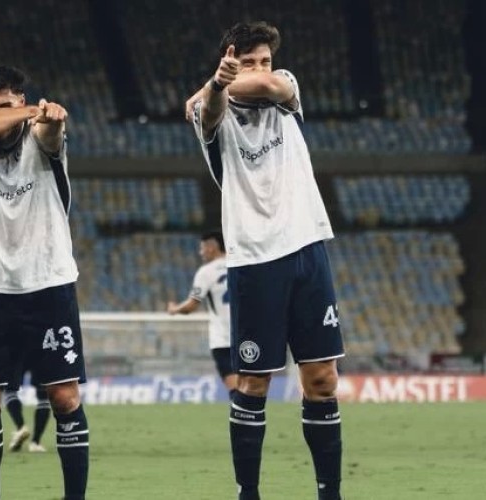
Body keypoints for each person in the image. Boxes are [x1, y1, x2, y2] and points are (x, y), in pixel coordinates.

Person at [187, 22, 345, 500]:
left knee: (321, 379)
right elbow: (208, 110)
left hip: (307, 249)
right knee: (253, 384)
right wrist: (213, 87)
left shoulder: (285, 88)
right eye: (249, 60)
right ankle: (248, 492)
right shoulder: (213, 115)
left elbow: (267, 86)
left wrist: (221, 81)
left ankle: (329, 493)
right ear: (229, 60)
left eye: (265, 61)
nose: (261, 71)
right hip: (255, 260)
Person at [0, 65, 89, 500]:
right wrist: (29, 109)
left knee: (64, 398)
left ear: (20, 102)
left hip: (49, 286)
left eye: (5, 105)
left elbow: (51, 132)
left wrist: (47, 119)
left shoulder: (42, 139)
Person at [167, 231, 237, 398]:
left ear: (212, 247)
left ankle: (241, 423)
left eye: (202, 248)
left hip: (223, 340)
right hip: (247, 336)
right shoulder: (240, 265)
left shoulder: (206, 272)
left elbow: (191, 305)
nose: (201, 253)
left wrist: (174, 309)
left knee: (237, 393)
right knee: (250, 391)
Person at [3, 368, 51, 453]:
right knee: (43, 397)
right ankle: (35, 442)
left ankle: (21, 427)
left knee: (10, 390)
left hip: (17, 355)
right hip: (39, 356)